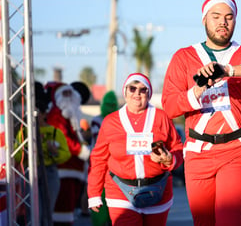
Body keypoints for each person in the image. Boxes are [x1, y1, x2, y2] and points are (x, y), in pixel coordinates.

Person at [161, 0, 241, 225]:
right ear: (204, 19)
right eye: (215, 16)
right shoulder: (184, 57)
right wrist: (196, 91)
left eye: (229, 17)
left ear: (235, 21)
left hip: (235, 150)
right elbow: (169, 107)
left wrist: (230, 70)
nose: (222, 22)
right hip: (198, 152)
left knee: (229, 221)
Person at [87, 73, 184, 226]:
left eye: (142, 89)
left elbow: (178, 148)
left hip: (158, 189)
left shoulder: (162, 117)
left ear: (149, 94)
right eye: (132, 88)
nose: (137, 93)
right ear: (125, 92)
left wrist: (170, 159)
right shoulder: (110, 122)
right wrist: (94, 193)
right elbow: (98, 158)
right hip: (120, 191)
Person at [14, 81, 71, 225]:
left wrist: (55, 153)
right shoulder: (24, 131)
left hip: (50, 172)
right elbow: (16, 155)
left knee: (47, 210)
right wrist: (25, 155)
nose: (35, 118)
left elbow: (66, 154)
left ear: (44, 113)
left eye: (37, 113)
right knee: (32, 211)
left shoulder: (55, 132)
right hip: (30, 172)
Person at [45, 81, 91, 226]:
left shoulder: (70, 115)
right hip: (63, 168)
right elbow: (63, 139)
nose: (68, 97)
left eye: (70, 93)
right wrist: (80, 150)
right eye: (65, 93)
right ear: (57, 97)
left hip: (73, 169)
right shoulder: (56, 115)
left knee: (68, 208)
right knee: (62, 211)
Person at [89, 91, 119, 226]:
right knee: (99, 207)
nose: (110, 107)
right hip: (100, 165)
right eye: (108, 105)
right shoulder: (97, 120)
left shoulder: (119, 120)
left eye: (113, 105)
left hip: (116, 168)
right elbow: (98, 145)